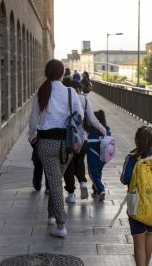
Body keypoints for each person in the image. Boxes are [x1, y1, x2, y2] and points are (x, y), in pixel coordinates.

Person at [28, 59, 84, 238]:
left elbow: (33, 119)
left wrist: (31, 137)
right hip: (66, 145)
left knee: (54, 180)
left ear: (47, 73)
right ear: (62, 74)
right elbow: (80, 116)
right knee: (55, 179)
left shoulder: (42, 91)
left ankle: (57, 221)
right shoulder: (70, 92)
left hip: (45, 143)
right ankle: (56, 220)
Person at [120, 126, 152, 266]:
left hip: (136, 205)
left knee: (138, 242)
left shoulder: (132, 158)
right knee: (148, 236)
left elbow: (125, 178)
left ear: (136, 140)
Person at [62, 79, 107, 203]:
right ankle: (83, 183)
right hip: (83, 139)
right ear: (79, 90)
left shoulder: (63, 100)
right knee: (80, 161)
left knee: (69, 165)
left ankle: (71, 195)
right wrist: (104, 131)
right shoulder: (85, 100)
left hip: (68, 139)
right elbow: (93, 120)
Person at [87, 110, 110, 201]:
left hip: (93, 157)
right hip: (103, 158)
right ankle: (96, 191)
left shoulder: (91, 131)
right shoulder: (106, 130)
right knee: (98, 173)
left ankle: (101, 190)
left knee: (93, 174)